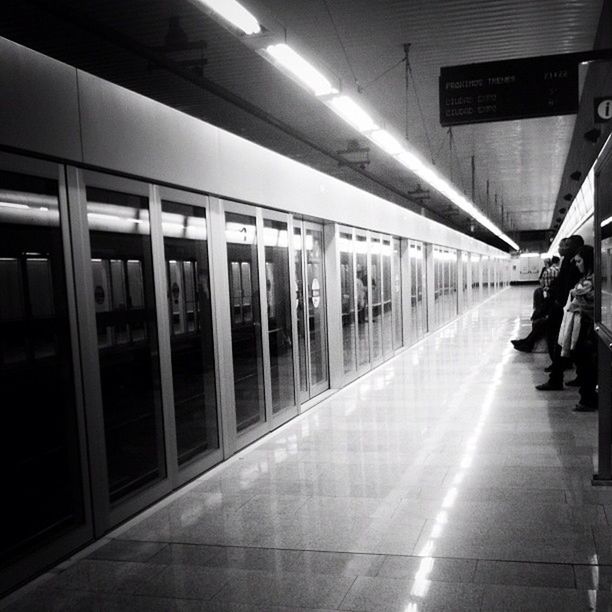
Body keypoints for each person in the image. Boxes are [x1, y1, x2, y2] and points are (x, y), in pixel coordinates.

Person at [535, 235, 584, 390]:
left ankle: (556, 378)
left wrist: (557, 302)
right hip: (564, 306)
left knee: (558, 341)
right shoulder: (568, 262)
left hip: (566, 307)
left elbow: (566, 285)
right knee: (563, 342)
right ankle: (574, 376)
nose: (563, 247)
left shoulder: (573, 264)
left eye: (567, 245)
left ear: (576, 247)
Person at [560, 245, 596, 411]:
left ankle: (588, 398)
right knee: (582, 360)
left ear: (587, 261)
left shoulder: (592, 281)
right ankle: (587, 395)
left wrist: (579, 306)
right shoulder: (587, 278)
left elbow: (593, 304)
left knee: (585, 360)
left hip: (587, 326)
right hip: (582, 324)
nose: (577, 264)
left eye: (579, 261)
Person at [511, 255, 560, 352]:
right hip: (554, 301)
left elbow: (543, 284)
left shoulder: (547, 271)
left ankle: (527, 342)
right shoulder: (560, 270)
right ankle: (527, 342)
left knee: (541, 322)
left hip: (551, 301)